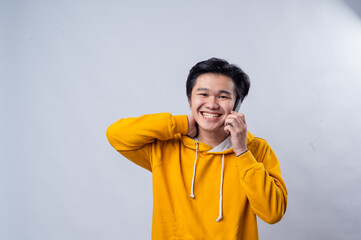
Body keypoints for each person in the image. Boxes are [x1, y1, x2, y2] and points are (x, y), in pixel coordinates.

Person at [106, 57, 288, 240]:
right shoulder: (165, 147)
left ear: (236, 104)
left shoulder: (256, 149)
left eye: (223, 96)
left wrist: (242, 151)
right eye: (203, 94)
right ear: (189, 100)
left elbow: (273, 213)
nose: (212, 104)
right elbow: (116, 135)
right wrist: (181, 123)